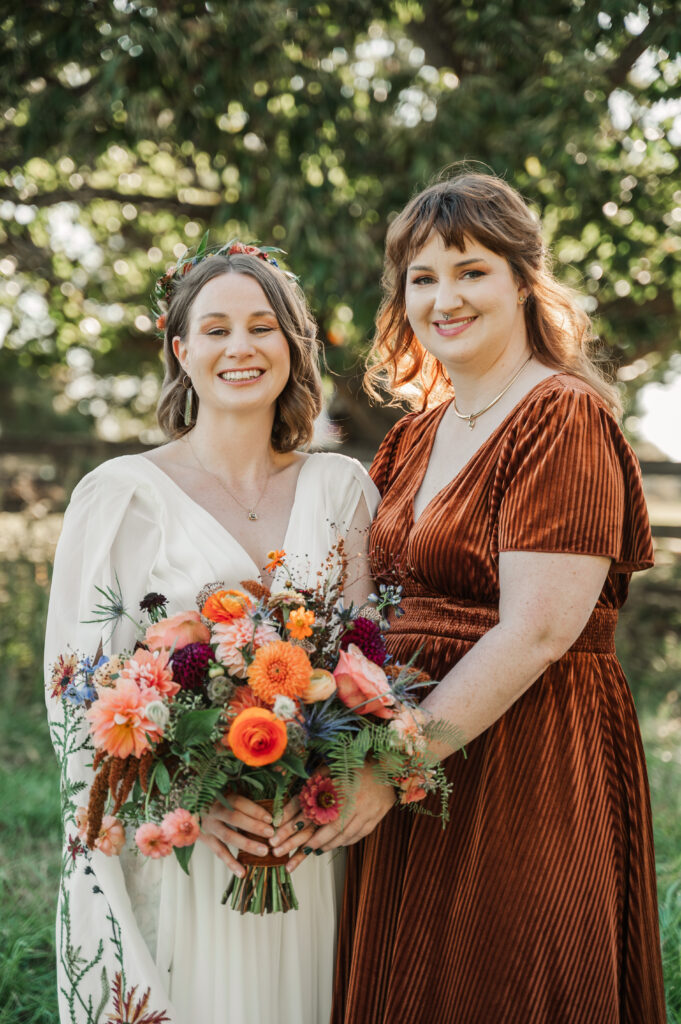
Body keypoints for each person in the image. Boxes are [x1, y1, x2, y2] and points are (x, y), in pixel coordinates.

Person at [321, 173, 666, 1022]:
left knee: (500, 981)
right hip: (410, 745)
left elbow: (539, 631)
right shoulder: (409, 437)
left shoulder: (563, 417)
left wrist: (390, 768)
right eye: (422, 278)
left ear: (521, 279)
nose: (445, 298)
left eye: (470, 270)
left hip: (525, 752)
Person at [44, 241, 379, 1024]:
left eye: (263, 327)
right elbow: (78, 698)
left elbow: (370, 666)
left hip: (310, 841)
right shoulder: (122, 496)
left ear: (293, 347)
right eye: (217, 328)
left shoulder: (342, 487)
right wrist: (188, 802)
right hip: (191, 848)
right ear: (181, 348)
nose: (241, 347)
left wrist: (333, 778)